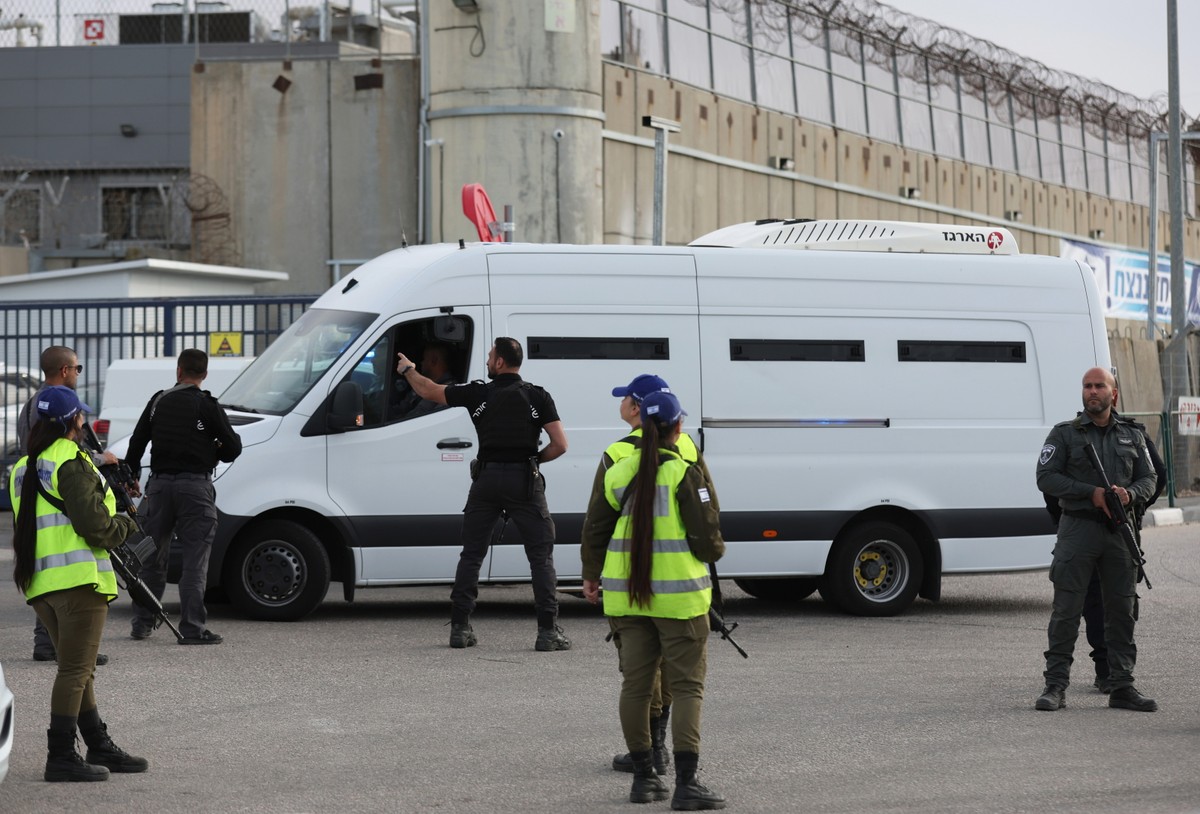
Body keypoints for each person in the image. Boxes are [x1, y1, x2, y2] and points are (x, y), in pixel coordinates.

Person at [581, 390, 727, 810]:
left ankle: (644, 779)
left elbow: (595, 529)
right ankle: (686, 783)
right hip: (679, 601)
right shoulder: (685, 473)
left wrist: (591, 577)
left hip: (626, 597)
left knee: (636, 686)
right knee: (686, 690)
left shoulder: (617, 471)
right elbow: (708, 542)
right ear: (677, 428)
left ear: (642, 425)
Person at [8, 385, 149, 782]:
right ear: (72, 421)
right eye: (81, 416)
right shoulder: (69, 459)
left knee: (80, 669)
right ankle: (61, 756)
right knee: (74, 671)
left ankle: (97, 744)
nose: (84, 422)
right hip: (78, 582)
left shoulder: (22, 468)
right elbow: (94, 527)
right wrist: (127, 522)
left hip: (42, 585)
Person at [395, 337, 570, 651]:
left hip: (486, 481)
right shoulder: (538, 396)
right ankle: (548, 632)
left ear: (500, 362)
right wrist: (533, 460)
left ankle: (460, 628)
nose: (488, 361)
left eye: (490, 357)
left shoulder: (478, 393)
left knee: (472, 555)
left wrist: (408, 369)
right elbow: (560, 445)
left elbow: (428, 389)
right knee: (540, 558)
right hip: (524, 482)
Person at [1035, 367, 1157, 713]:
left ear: (1113, 394)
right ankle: (1055, 686)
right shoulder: (1064, 435)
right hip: (1078, 529)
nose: (1092, 391)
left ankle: (1122, 686)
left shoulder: (1132, 435)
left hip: (1120, 532)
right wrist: (1092, 494)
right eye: (1087, 386)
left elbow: (1149, 477)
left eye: (1099, 386)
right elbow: (1046, 477)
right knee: (1066, 611)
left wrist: (1129, 495)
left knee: (1121, 610)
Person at [123, 349, 243, 645]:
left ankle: (142, 623)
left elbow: (137, 443)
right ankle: (192, 629)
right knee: (194, 562)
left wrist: (131, 479)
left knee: (150, 558)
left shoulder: (158, 401)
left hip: (160, 489)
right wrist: (213, 449)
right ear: (203, 375)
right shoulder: (207, 406)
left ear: (179, 371)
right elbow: (233, 448)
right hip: (195, 490)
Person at [16, 345, 117, 666]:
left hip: (39, 492)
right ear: (64, 370)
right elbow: (64, 450)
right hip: (57, 493)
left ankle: (50, 643)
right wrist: (103, 460)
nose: (77, 373)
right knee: (60, 574)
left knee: (46, 571)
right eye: (77, 368)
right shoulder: (57, 408)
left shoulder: (33, 404)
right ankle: (65, 646)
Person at [400, 342, 457, 419]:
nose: (421, 362)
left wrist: (407, 370)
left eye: (424, 359)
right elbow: (402, 407)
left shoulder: (448, 394)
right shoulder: (423, 383)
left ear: (434, 361)